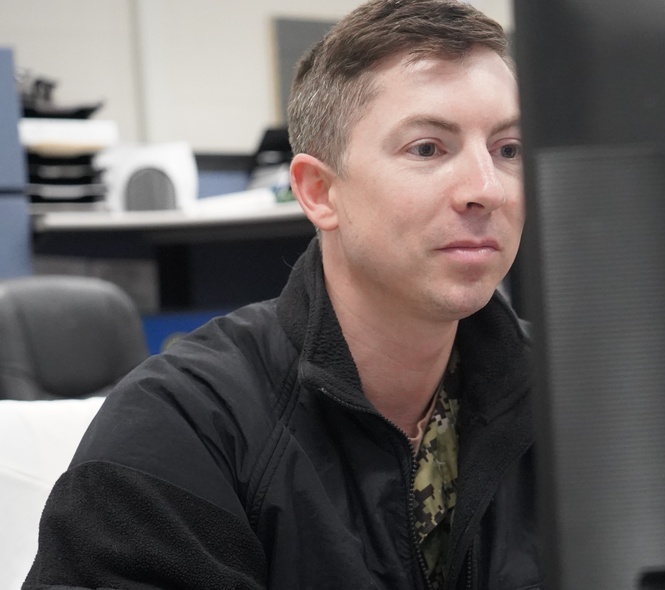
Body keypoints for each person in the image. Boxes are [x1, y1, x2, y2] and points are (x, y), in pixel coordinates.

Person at [22, 1, 538, 588]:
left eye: (508, 149)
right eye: (427, 149)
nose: (486, 189)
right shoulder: (181, 427)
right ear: (318, 192)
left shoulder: (578, 401)